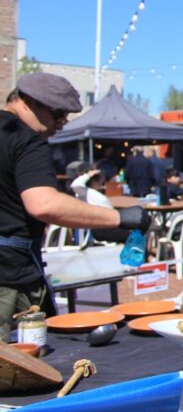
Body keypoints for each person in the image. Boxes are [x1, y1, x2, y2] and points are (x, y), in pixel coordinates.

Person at [0, 73, 150, 328]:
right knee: (18, 362)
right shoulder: (27, 140)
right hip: (8, 275)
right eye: (57, 113)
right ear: (27, 101)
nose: (62, 122)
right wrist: (120, 217)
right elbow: (43, 204)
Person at [69, 168, 131, 243]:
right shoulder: (85, 192)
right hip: (101, 229)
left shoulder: (86, 193)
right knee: (133, 235)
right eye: (100, 181)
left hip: (104, 227)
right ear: (94, 181)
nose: (101, 183)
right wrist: (88, 175)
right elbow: (75, 184)